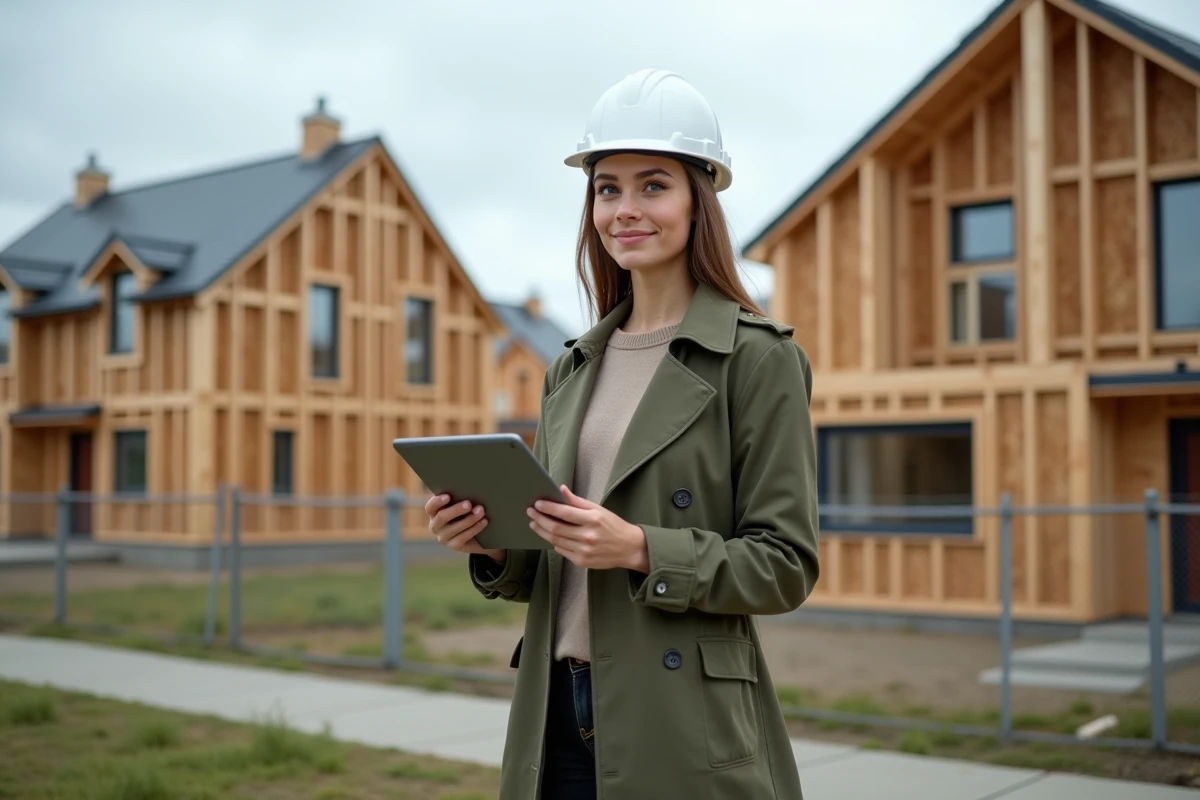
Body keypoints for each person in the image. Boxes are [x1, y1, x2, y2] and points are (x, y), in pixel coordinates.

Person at [424, 68, 820, 800]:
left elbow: (785, 564)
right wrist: (488, 542)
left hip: (681, 721)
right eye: (608, 188)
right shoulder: (570, 368)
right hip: (554, 714)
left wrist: (641, 549)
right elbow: (552, 560)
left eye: (652, 185)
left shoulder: (760, 359)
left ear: (699, 201)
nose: (625, 210)